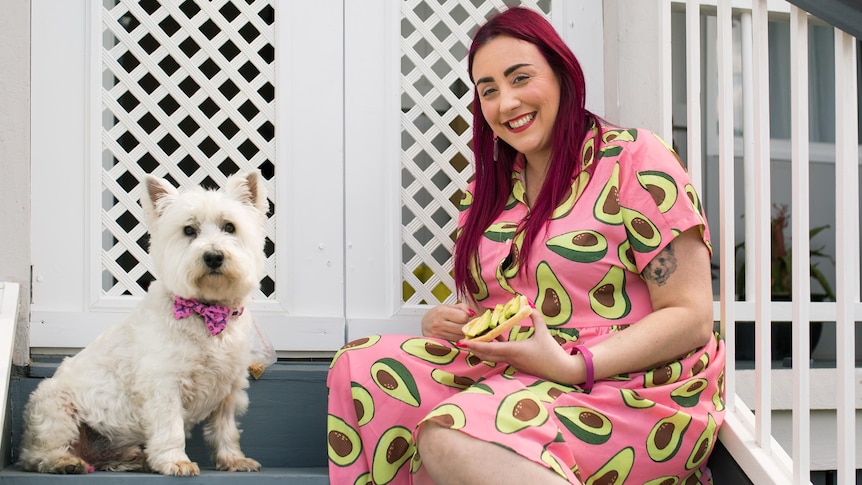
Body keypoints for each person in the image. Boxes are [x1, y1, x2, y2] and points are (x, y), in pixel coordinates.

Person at [327, 6, 724, 484]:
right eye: (488, 90)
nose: (506, 102)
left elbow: (691, 316)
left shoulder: (631, 159)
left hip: (629, 384)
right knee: (361, 366)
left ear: (561, 72)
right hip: (522, 372)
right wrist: (447, 321)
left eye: (520, 78)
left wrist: (573, 365)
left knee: (451, 437)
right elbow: (503, 310)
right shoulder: (489, 192)